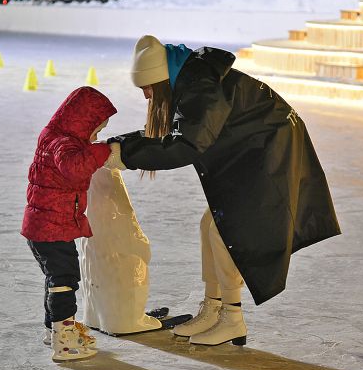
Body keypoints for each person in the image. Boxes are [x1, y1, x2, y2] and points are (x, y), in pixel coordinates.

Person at [104, 35, 341, 346]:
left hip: (270, 154)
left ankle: (232, 317)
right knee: (209, 224)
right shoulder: (190, 79)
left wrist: (125, 155)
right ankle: (213, 308)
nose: (147, 96)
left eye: (147, 87)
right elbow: (175, 133)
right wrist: (122, 145)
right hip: (255, 150)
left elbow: (185, 145)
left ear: (160, 79)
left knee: (224, 231)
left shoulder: (200, 85)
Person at [21, 86, 117, 362]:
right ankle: (64, 341)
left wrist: (93, 146)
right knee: (64, 280)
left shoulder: (56, 135)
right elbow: (74, 167)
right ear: (82, 122)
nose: (96, 136)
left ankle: (53, 331)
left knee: (56, 279)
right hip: (52, 227)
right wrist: (105, 150)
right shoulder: (62, 142)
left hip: (44, 225)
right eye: (95, 130)